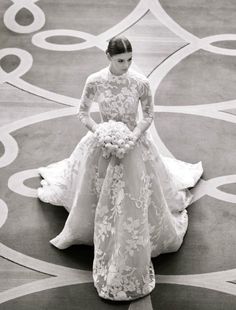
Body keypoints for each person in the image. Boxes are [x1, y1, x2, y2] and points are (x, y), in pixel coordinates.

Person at [37, 35, 203, 301]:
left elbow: (148, 115)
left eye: (129, 60)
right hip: (102, 140)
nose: (126, 65)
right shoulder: (95, 80)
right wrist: (100, 131)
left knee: (135, 193)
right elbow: (82, 112)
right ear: (108, 57)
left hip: (133, 141)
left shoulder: (140, 82)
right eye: (120, 60)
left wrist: (133, 136)